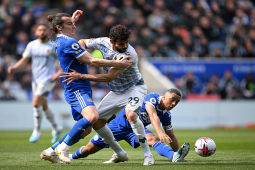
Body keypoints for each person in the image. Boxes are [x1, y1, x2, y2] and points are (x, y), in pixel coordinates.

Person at [40, 12, 133, 164]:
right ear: (59, 27)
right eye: (70, 24)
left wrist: (70, 20)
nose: (74, 26)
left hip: (79, 87)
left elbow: (60, 32)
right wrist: (118, 63)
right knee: (92, 117)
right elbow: (91, 61)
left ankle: (50, 151)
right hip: (77, 88)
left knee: (87, 129)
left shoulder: (58, 38)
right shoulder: (69, 43)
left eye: (73, 23)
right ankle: (63, 148)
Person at [58, 21, 155, 165]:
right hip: (116, 91)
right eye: (121, 44)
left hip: (134, 88)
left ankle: (148, 155)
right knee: (97, 122)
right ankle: (119, 153)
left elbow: (108, 77)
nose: (124, 46)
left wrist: (81, 75)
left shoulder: (129, 54)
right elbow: (82, 41)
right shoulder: (102, 42)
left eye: (126, 42)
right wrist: (83, 55)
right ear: (111, 41)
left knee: (131, 115)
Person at [69, 89, 190, 163]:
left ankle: (173, 156)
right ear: (164, 97)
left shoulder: (166, 115)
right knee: (87, 150)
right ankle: (71, 156)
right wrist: (160, 131)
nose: (174, 104)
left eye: (177, 102)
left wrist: (178, 154)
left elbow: (171, 136)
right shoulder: (152, 98)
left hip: (136, 130)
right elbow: (152, 115)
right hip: (117, 127)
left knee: (154, 140)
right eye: (172, 99)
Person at [8, 24, 63, 143]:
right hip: (35, 80)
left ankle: (37, 130)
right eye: (40, 30)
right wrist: (14, 67)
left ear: (48, 32)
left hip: (48, 79)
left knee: (35, 102)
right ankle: (56, 127)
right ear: (36, 32)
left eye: (44, 30)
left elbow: (62, 62)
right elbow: (24, 60)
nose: (42, 32)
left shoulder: (53, 46)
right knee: (43, 106)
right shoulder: (32, 45)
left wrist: (58, 74)